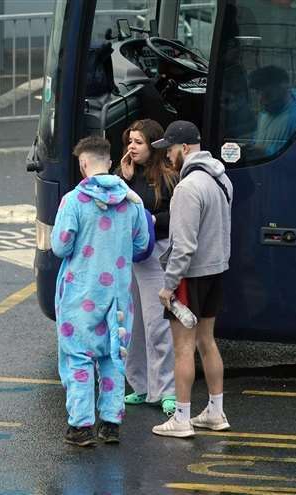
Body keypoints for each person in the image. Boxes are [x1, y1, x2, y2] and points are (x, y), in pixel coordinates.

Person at [51, 136, 150, 447]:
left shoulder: (73, 201)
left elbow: (60, 245)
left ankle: (80, 426)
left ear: (83, 164)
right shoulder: (132, 201)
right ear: (109, 162)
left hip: (81, 292)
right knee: (112, 356)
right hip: (118, 292)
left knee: (78, 357)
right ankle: (111, 423)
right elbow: (141, 245)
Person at [149, 121, 233, 438]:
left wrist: (168, 286)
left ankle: (181, 418)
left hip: (189, 277)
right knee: (207, 342)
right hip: (216, 270)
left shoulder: (187, 189)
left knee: (183, 348)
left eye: (169, 150)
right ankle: (215, 410)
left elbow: (183, 246)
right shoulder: (221, 179)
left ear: (185, 148)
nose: (167, 157)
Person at [116, 119, 179, 416]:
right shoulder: (125, 176)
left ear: (152, 145)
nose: (131, 146)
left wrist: (154, 221)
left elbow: (178, 214)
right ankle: (140, 386)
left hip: (156, 255)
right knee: (131, 324)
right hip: (130, 256)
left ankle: (165, 390)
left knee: (157, 325)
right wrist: (124, 179)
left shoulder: (168, 176)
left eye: (138, 142)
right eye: (130, 141)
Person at [249, 65, 296, 156]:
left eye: (268, 94)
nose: (261, 100)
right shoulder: (265, 113)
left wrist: (265, 152)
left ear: (283, 86)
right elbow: (259, 137)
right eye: (258, 93)